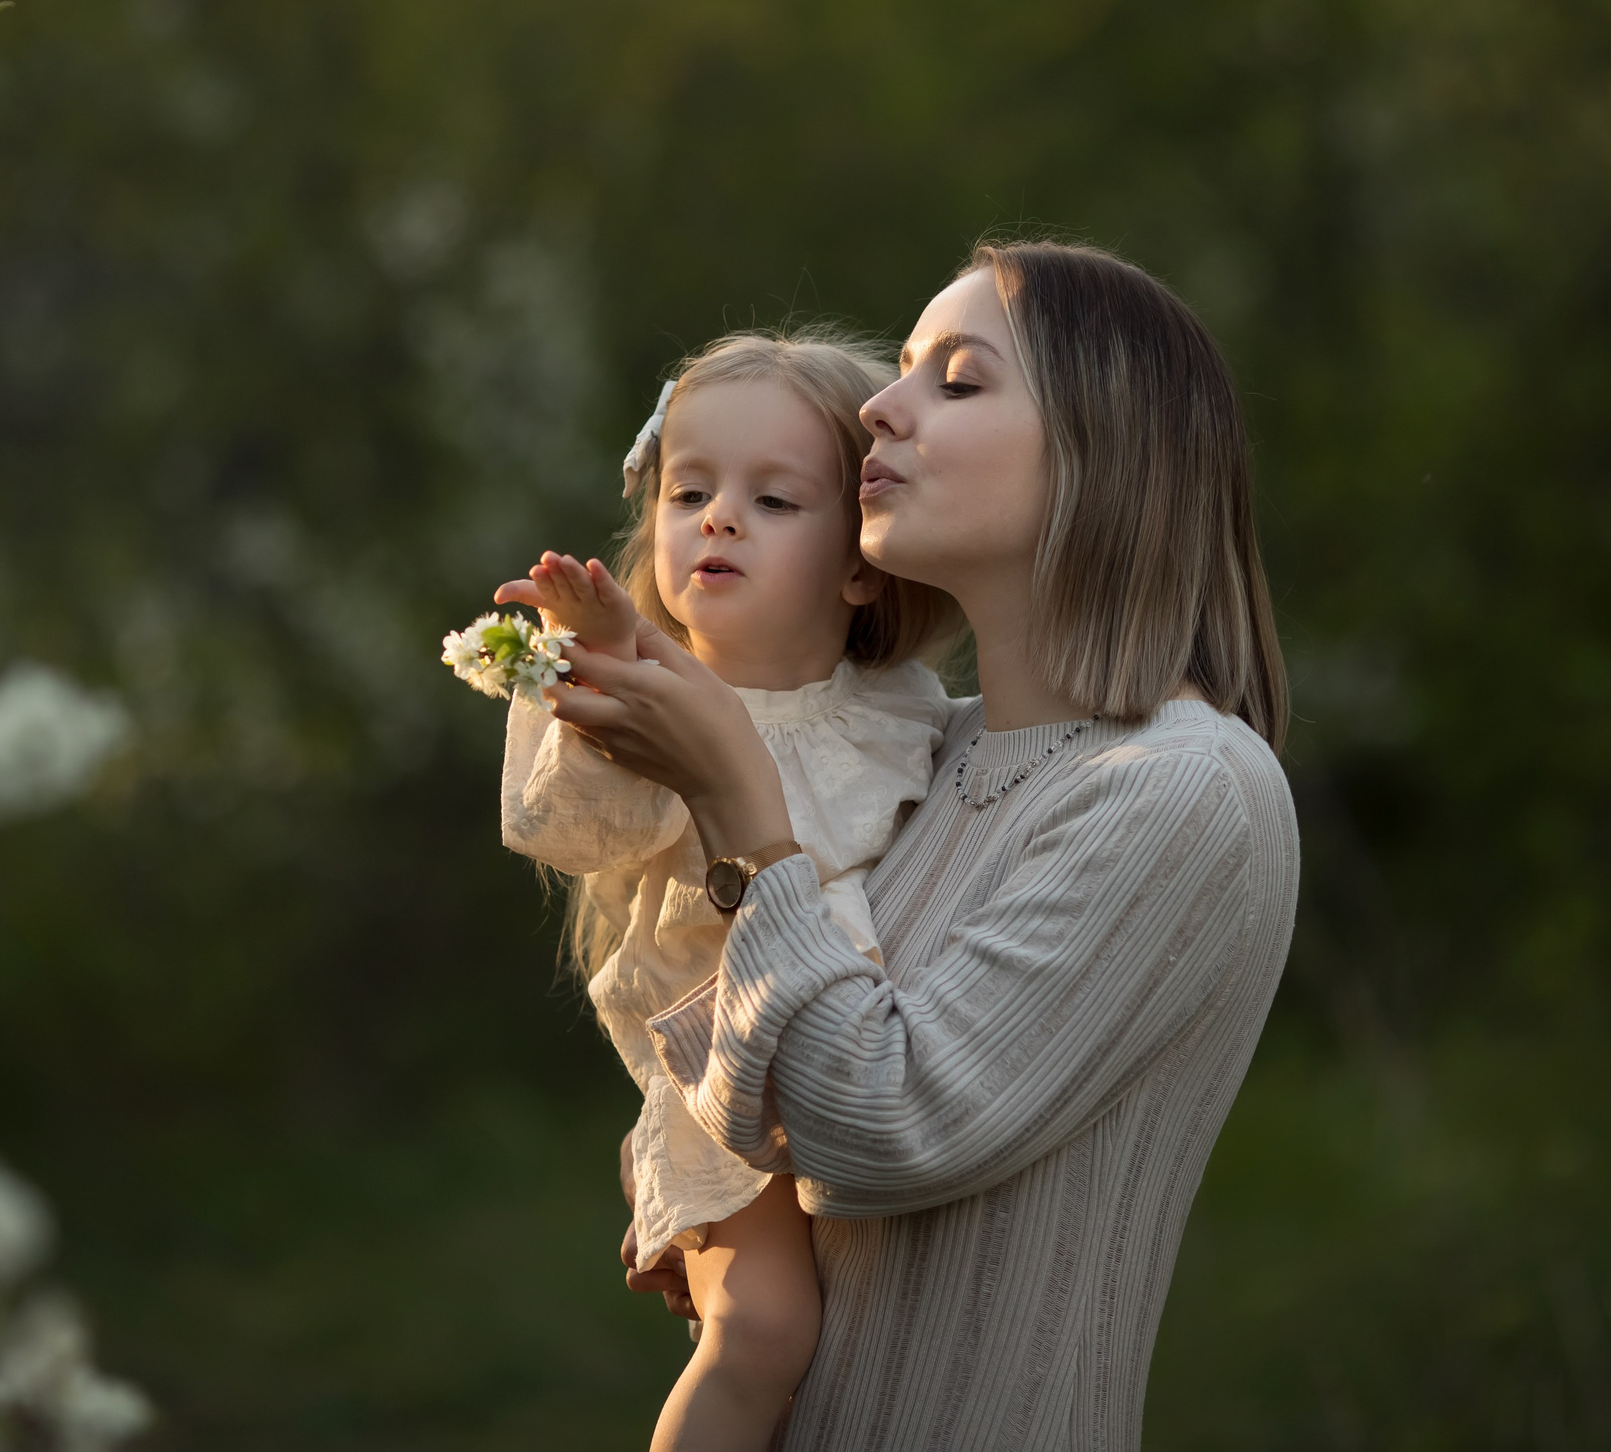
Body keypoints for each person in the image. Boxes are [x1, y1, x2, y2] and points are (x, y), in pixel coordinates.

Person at [537, 241, 1301, 1450]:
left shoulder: (1183, 789)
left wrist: (737, 795)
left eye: (956, 381)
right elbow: (764, 1103)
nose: (881, 412)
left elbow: (876, 1129)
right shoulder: (913, 763)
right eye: (898, 371)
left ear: (1106, 451)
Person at [494, 330, 959, 1452]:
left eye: (774, 499)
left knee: (853, 1363)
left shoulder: (904, 704)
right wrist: (593, 665)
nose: (718, 517)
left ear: (860, 563)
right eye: (689, 489)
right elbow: (559, 828)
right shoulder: (658, 700)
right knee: (762, 1338)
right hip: (730, 1083)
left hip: (865, 1065)